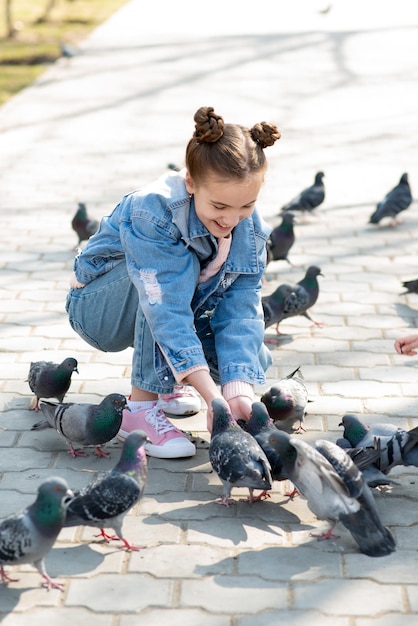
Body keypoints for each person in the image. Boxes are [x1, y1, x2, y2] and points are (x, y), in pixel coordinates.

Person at [66, 106, 281, 459]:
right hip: (100, 309)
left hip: (166, 301)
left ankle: (169, 381)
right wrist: (211, 397)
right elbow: (164, 308)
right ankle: (138, 412)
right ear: (191, 183)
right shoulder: (153, 211)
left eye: (246, 206)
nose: (232, 219)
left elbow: (243, 307)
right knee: (160, 290)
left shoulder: (250, 227)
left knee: (254, 358)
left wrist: (235, 392)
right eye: (220, 206)